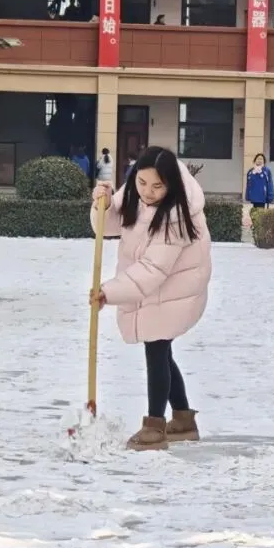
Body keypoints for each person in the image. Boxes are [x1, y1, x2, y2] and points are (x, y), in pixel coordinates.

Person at [89, 146, 212, 451]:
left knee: (156, 349)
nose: (148, 192)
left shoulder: (178, 215)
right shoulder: (137, 193)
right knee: (161, 351)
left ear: (171, 184)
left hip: (175, 290)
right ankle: (183, 420)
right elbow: (110, 226)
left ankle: (154, 428)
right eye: (142, 182)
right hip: (154, 288)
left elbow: (152, 270)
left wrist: (109, 292)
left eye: (157, 186)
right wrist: (104, 205)